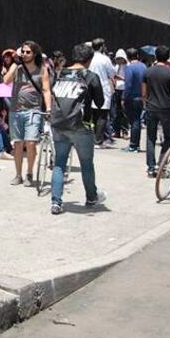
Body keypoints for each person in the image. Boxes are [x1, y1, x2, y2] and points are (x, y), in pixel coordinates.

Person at [49, 44, 107, 214]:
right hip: (81, 125)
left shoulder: (60, 74)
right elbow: (100, 102)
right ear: (89, 60)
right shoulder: (90, 76)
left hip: (59, 124)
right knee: (86, 163)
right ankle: (91, 197)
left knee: (59, 163)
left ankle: (56, 202)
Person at [3, 41, 53, 186]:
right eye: (23, 52)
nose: (24, 54)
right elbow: (6, 81)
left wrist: (48, 108)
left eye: (28, 52)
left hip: (33, 111)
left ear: (35, 54)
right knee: (17, 145)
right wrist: (14, 64)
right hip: (15, 111)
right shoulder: (17, 68)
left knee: (31, 143)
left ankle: (29, 173)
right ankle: (18, 174)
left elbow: (46, 90)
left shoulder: (42, 69)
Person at [142, 46, 170, 178]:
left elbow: (144, 93)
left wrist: (145, 104)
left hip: (151, 107)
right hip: (166, 109)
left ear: (155, 56)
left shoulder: (148, 72)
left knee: (150, 137)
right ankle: (161, 164)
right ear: (168, 57)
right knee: (168, 137)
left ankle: (151, 167)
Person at [88, 39, 116, 147]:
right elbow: (112, 72)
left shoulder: (89, 57)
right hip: (102, 88)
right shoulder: (105, 59)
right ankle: (98, 141)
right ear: (101, 47)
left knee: (92, 114)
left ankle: (92, 139)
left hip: (90, 88)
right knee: (102, 116)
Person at [122, 48, 146, 152]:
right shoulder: (144, 66)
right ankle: (137, 144)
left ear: (127, 57)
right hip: (141, 97)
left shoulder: (129, 68)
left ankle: (133, 145)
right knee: (138, 121)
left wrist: (123, 97)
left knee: (134, 122)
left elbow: (128, 84)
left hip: (132, 97)